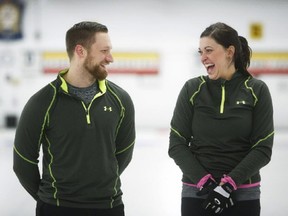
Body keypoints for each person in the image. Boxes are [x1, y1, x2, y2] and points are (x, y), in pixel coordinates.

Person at [13, 21, 136, 216]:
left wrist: (99, 187)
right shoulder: (42, 102)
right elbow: (23, 161)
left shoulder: (121, 100)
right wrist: (48, 198)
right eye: (104, 51)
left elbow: (124, 152)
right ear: (80, 51)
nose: (110, 58)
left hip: (109, 207)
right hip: (57, 208)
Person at [168, 22, 274, 216]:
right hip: (197, 191)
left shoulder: (257, 90)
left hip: (243, 192)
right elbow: (176, 143)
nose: (203, 57)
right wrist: (207, 184)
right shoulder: (192, 89)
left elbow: (263, 147)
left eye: (209, 50)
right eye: (200, 52)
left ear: (229, 52)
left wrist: (228, 186)